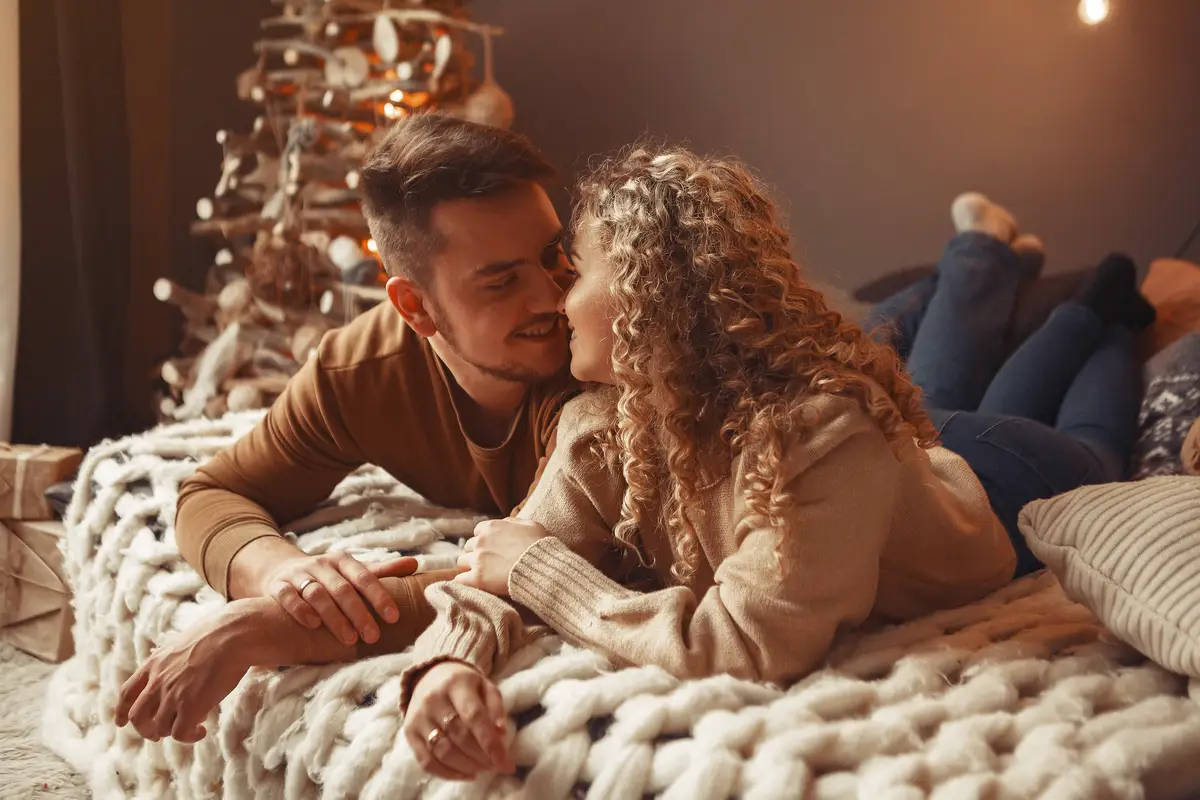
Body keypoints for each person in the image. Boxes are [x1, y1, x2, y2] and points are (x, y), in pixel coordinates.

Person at [397, 152, 1155, 782]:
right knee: (942, 384)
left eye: (578, 269)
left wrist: (543, 572)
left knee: (1091, 446)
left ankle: (1110, 311)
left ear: (645, 292)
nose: (558, 298)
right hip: (891, 474)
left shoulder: (820, 435)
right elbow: (502, 563)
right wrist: (445, 669)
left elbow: (747, 645)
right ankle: (991, 258)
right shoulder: (601, 423)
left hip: (997, 487)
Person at [113, 113, 582, 744]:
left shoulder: (601, 358)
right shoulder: (362, 368)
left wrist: (261, 628)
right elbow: (213, 494)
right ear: (415, 307)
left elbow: (542, 572)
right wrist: (283, 575)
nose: (553, 297)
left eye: (554, 255)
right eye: (501, 282)